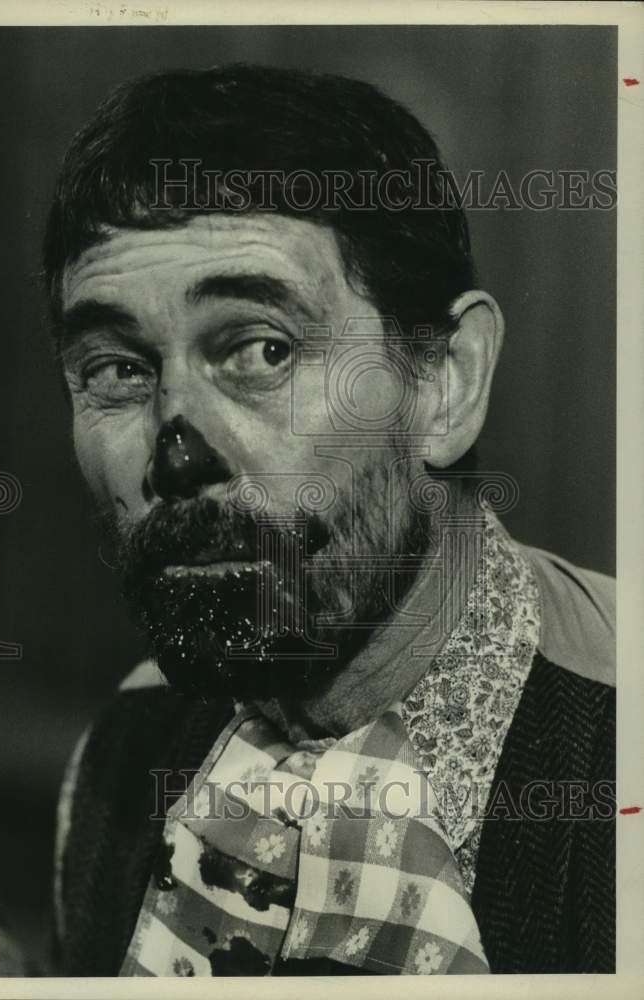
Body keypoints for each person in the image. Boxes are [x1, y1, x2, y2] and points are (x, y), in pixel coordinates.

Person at [43, 64, 615, 977]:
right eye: (118, 369)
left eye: (262, 348)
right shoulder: (127, 749)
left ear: (445, 381)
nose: (176, 454)